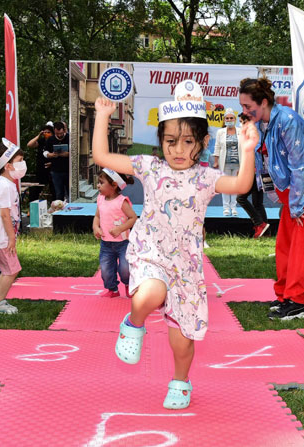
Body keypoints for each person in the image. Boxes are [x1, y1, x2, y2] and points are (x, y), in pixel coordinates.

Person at [92, 80, 256, 410]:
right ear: (161, 141)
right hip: (150, 251)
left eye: (187, 142)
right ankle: (132, 323)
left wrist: (248, 150)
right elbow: (101, 155)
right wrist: (102, 116)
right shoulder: (149, 167)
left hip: (187, 266)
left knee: (182, 338)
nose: (178, 150)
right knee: (152, 293)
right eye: (170, 141)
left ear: (203, 142)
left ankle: (181, 381)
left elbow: (241, 183)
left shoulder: (207, 177)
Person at [239, 78, 304, 320]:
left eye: (247, 106)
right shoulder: (263, 124)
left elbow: (300, 165)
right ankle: (284, 295)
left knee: (302, 246)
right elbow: (265, 164)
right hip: (297, 192)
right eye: (241, 106)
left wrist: (295, 205)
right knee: (285, 245)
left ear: (263, 102)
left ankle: (296, 303)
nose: (244, 111)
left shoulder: (287, 119)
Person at [0, 139, 26, 314]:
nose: (23, 165)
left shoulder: (7, 184)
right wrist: (11, 238)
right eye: (19, 161)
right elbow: (4, 214)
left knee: (8, 269)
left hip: (1, 236)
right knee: (11, 269)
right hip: (1, 237)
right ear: (8, 166)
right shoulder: (5, 186)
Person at [92, 168, 137, 297]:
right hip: (106, 244)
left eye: (101, 182)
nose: (98, 185)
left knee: (125, 269)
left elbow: (133, 218)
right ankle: (112, 289)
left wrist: (120, 229)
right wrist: (96, 227)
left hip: (123, 244)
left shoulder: (121, 201)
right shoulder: (100, 199)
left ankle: (129, 285)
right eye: (98, 183)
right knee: (106, 270)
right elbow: (97, 217)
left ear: (114, 185)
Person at [235, 113, 269, 238]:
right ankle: (265, 232)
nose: (240, 124)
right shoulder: (257, 132)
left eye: (241, 122)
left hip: (254, 171)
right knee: (257, 203)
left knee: (241, 198)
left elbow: (253, 154)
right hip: (259, 171)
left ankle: (259, 224)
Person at [213, 108, 243, 216]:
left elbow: (243, 148)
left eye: (231, 118)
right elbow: (217, 147)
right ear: (224, 119)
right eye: (227, 118)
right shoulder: (220, 132)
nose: (229, 120)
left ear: (235, 119)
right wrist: (216, 161)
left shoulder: (240, 131)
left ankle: (234, 208)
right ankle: (225, 208)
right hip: (224, 163)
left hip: (237, 164)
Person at [44, 121, 70, 201]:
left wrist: (68, 154)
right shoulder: (50, 139)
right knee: (59, 193)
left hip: (68, 170)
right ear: (54, 131)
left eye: (61, 134)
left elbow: (75, 152)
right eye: (57, 134)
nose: (59, 136)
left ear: (64, 130)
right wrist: (50, 155)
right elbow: (45, 152)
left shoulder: (69, 138)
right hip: (56, 171)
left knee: (70, 192)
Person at [27, 122, 54, 188]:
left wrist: (52, 163)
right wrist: (39, 136)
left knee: (53, 189)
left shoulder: (55, 141)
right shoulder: (41, 141)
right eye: (44, 132)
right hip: (41, 169)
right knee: (36, 188)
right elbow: (29, 144)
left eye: (48, 132)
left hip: (52, 169)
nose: (46, 134)